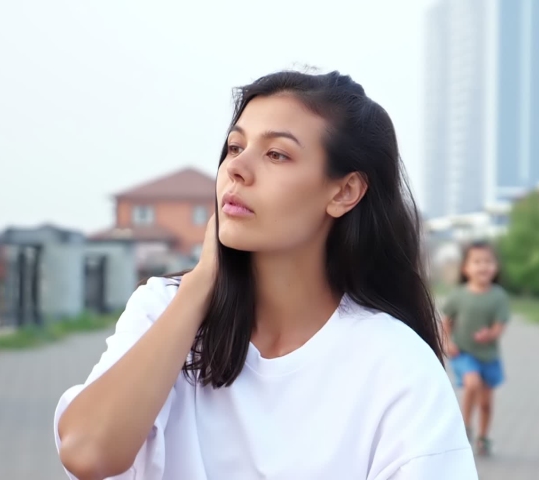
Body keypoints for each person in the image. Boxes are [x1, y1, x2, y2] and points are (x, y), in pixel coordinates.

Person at [53, 70, 478, 479]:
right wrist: (201, 285)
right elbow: (87, 453)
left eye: (277, 154)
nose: (237, 169)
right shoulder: (163, 309)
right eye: (235, 147)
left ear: (344, 191)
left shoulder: (395, 364)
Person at [441, 242, 510, 457]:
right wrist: (447, 342)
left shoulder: (498, 296)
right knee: (472, 383)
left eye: (488, 262)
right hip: (464, 353)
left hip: (488, 356)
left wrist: (490, 334)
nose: (483, 267)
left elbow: (500, 325)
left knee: (486, 403)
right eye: (477, 262)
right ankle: (465, 425)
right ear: (466, 268)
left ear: (496, 267)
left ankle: (483, 437)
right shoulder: (459, 296)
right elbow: (446, 322)